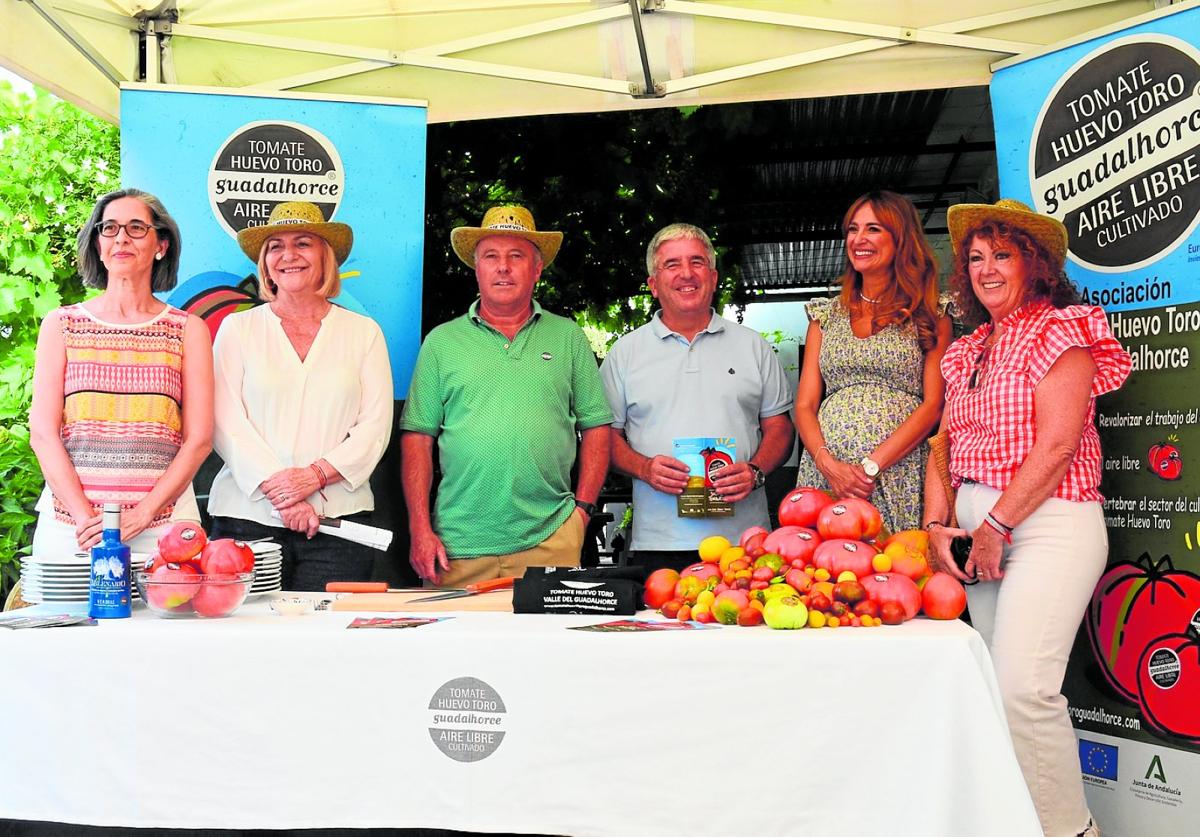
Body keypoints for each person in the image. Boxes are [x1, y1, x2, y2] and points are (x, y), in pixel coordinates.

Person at [923, 199, 1131, 837]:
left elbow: (1059, 443)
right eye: (976, 258)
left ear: (1034, 265)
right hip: (980, 529)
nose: (986, 270)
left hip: (1048, 524)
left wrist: (997, 526)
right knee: (991, 689)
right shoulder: (969, 349)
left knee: (1022, 691)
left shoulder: (1062, 330)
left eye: (1002, 255)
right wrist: (938, 524)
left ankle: (1072, 832)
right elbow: (943, 445)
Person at [400, 205, 612, 587]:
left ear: (537, 269)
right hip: (458, 544)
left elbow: (597, 426)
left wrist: (581, 513)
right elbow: (417, 439)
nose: (503, 267)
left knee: (548, 648)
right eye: (491, 257)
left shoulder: (568, 337)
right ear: (477, 268)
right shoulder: (441, 342)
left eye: (516, 257)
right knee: (457, 647)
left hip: (551, 539)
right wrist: (420, 529)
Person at [208, 202, 393, 591]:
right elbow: (224, 422)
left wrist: (313, 477)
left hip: (339, 523)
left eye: (303, 243)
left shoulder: (364, 333)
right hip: (246, 520)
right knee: (246, 643)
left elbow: (375, 426)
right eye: (275, 246)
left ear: (325, 256)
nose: (288, 256)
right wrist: (285, 495)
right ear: (265, 262)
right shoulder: (237, 329)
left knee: (327, 646)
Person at [600, 223, 794, 574]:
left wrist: (755, 471)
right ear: (653, 285)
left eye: (697, 262)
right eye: (671, 265)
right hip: (659, 541)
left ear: (714, 276)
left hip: (746, 542)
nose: (686, 274)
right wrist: (644, 468)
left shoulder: (754, 346)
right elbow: (603, 439)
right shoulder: (624, 353)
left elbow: (780, 427)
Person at [30, 188, 213, 555]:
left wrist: (141, 515)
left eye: (135, 228)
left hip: (164, 528)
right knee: (67, 616)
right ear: (98, 245)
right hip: (73, 528)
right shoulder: (61, 324)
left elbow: (199, 440)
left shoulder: (188, 329)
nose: (122, 238)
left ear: (161, 244)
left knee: (166, 615)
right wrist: (85, 519)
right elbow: (43, 434)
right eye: (109, 228)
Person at [793, 190, 951, 534]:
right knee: (824, 577)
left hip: (896, 472)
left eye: (874, 229)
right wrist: (829, 465)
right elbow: (804, 404)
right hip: (827, 476)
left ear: (902, 239)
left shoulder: (932, 312)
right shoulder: (824, 315)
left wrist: (869, 468)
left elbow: (934, 404)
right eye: (853, 229)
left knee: (896, 574)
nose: (859, 239)